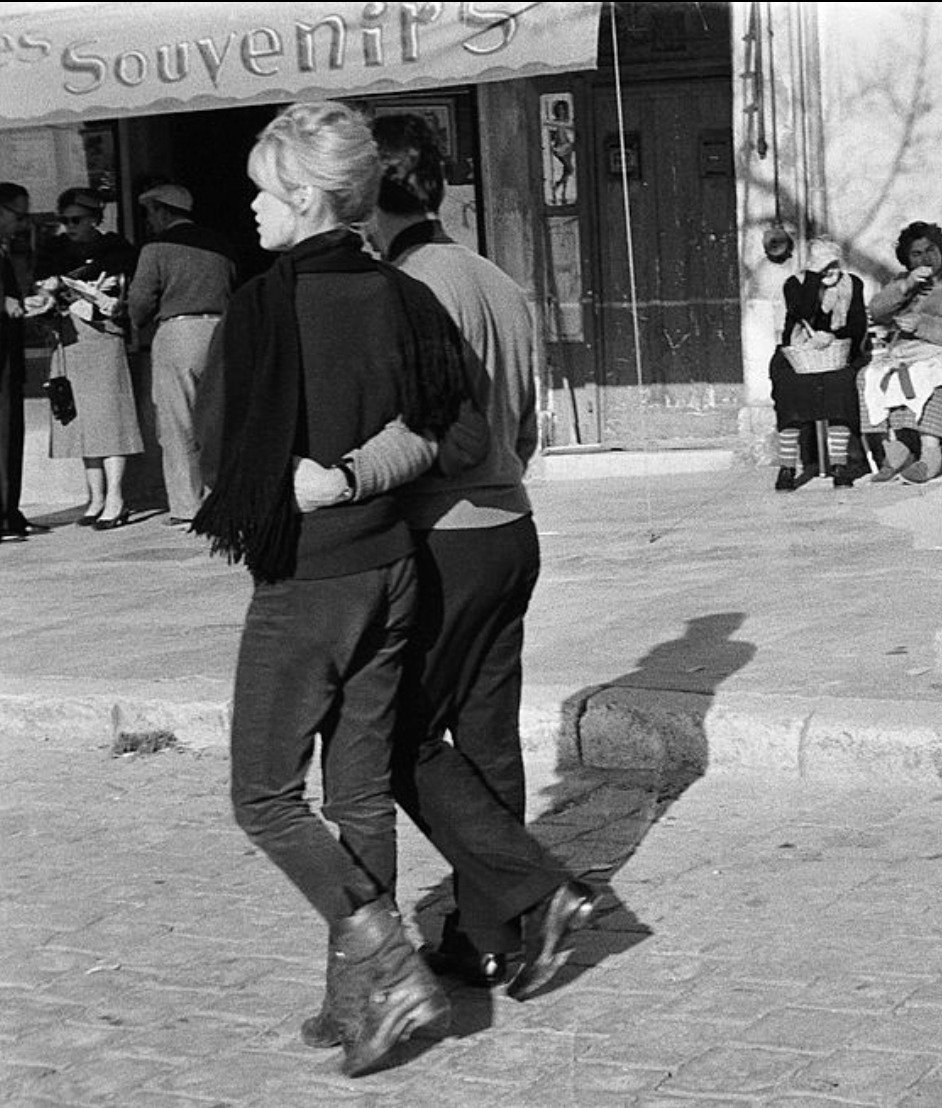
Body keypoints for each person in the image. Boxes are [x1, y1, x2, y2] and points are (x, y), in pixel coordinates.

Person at [192, 100, 549, 1079]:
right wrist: (363, 470)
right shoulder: (404, 294)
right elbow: (452, 430)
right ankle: (356, 1001)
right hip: (392, 567)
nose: (252, 209)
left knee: (264, 796)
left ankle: (386, 962)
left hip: (310, 577)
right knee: (358, 793)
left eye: (264, 192)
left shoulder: (262, 306)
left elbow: (221, 457)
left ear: (307, 195)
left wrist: (291, 480)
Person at [292, 110, 596, 1036]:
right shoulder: (496, 279)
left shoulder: (403, 286)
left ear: (368, 191)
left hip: (444, 534)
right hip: (511, 527)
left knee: (393, 741)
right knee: (488, 737)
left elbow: (415, 433)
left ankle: (537, 891)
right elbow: (527, 425)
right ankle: (483, 937)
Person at [127, 183, 236, 527]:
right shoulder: (221, 246)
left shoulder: (156, 248)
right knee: (219, 419)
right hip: (221, 331)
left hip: (179, 331)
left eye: (150, 213)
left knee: (177, 423)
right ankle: (225, 497)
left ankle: (189, 507)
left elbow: (141, 300)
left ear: (162, 211)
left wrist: (134, 319)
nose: (149, 221)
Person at [32, 187, 142, 529]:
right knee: (79, 418)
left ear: (94, 218)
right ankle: (95, 497)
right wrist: (46, 296)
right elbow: (40, 287)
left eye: (76, 220)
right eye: (64, 220)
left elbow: (127, 293)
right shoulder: (54, 250)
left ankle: (116, 497)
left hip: (103, 336)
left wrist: (98, 294)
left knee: (110, 417)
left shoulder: (116, 249)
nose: (70, 227)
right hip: (68, 338)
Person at [861, 221, 942, 484]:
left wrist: (921, 323)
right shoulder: (903, 280)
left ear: (941, 250)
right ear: (907, 258)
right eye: (916, 254)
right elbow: (876, 311)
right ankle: (897, 451)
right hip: (908, 353)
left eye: (930, 250)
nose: (925, 258)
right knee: (868, 376)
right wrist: (905, 286)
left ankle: (931, 454)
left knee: (924, 376)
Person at [768, 237, 869, 491]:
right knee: (788, 384)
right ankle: (787, 467)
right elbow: (802, 312)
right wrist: (813, 279)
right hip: (798, 352)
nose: (829, 270)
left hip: (839, 351)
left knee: (840, 383)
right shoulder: (795, 284)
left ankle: (840, 465)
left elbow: (858, 325)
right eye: (823, 265)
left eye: (833, 264)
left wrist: (833, 336)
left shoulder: (852, 284)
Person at [0, 182, 47, 540]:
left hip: (9, 355)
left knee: (10, 432)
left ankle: (10, 512)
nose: (23, 223)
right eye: (18, 215)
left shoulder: (6, 251)